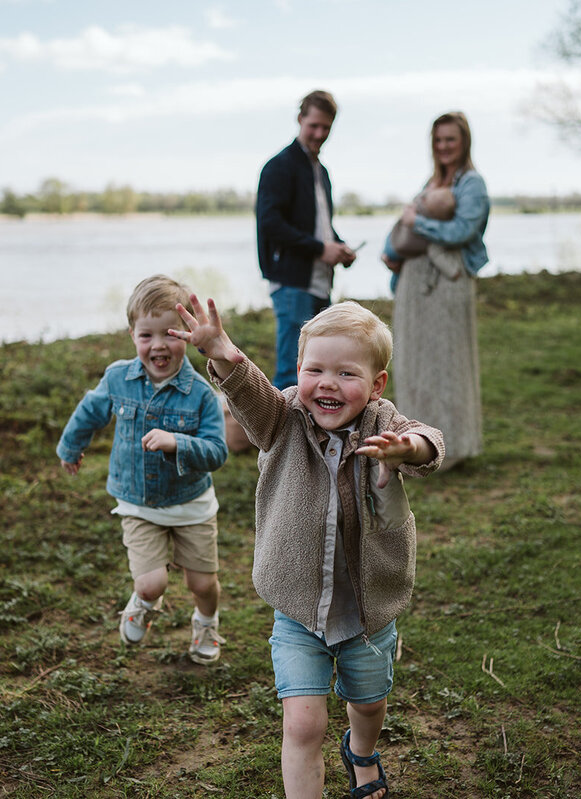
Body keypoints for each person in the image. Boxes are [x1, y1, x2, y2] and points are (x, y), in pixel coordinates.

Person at [172, 296, 444, 799]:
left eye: (346, 373)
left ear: (376, 384)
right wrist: (220, 350)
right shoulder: (282, 419)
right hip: (298, 610)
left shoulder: (382, 424)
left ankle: (361, 753)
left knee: (367, 703)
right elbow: (249, 393)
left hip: (368, 612)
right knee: (302, 724)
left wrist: (408, 449)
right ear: (298, 370)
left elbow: (428, 442)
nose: (328, 383)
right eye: (315, 369)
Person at [56, 275, 229, 664]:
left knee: (202, 582)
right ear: (132, 334)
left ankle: (206, 621)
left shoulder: (201, 393)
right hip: (137, 501)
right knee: (152, 583)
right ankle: (144, 602)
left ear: (187, 334)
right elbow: (90, 412)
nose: (158, 346)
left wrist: (178, 442)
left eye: (169, 334)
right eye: (145, 335)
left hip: (191, 503)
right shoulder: (118, 377)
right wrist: (71, 447)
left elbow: (217, 452)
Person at [381, 111, 490, 466]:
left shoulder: (471, 184)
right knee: (415, 362)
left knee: (448, 363)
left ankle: (454, 446)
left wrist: (419, 224)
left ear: (464, 142)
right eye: (439, 140)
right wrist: (391, 250)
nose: (444, 146)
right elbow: (403, 224)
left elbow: (462, 232)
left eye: (451, 139)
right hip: (415, 284)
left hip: (447, 282)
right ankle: (417, 444)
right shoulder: (429, 183)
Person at [256, 89, 358, 390]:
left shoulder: (321, 171)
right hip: (291, 283)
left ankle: (314, 438)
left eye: (326, 127)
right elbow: (270, 224)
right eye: (313, 125)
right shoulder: (279, 166)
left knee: (320, 370)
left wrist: (338, 247)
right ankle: (279, 439)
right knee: (292, 373)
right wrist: (319, 249)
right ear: (300, 119)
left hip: (319, 282)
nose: (319, 133)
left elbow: (320, 227)